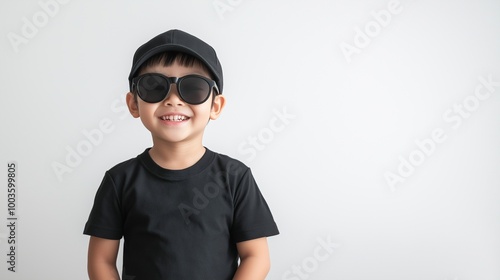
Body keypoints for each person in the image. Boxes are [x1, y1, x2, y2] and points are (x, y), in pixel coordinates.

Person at [83, 29, 279, 280]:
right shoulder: (119, 180)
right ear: (133, 103)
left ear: (215, 106)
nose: (173, 99)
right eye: (154, 87)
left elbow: (256, 257)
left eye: (193, 87)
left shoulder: (235, 177)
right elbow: (101, 260)